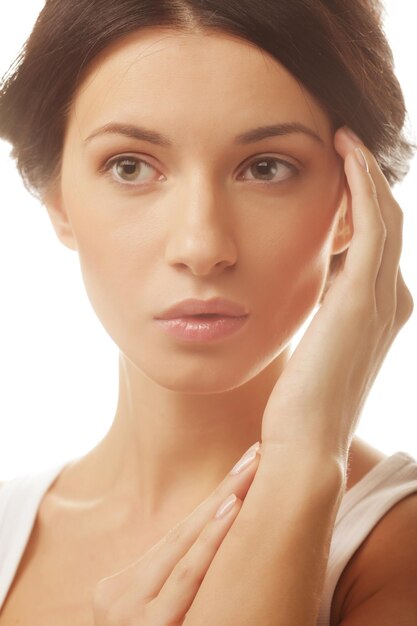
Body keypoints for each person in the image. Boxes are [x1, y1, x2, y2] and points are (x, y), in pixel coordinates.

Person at [0, 0, 416, 624]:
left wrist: (304, 460)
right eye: (131, 166)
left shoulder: (395, 551)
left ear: (353, 204)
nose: (201, 247)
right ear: (59, 199)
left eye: (266, 168)